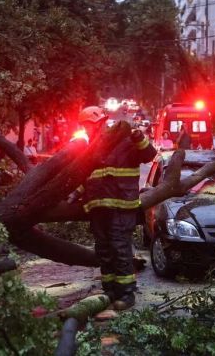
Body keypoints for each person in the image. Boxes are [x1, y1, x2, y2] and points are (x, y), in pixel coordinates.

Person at [69, 106, 157, 310]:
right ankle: (109, 289)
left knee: (120, 249)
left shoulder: (125, 142)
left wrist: (138, 137)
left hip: (121, 206)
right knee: (104, 250)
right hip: (98, 208)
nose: (88, 130)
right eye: (84, 126)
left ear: (100, 123)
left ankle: (126, 293)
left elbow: (149, 154)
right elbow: (88, 177)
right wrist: (75, 193)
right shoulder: (91, 149)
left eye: (89, 125)